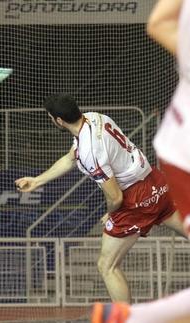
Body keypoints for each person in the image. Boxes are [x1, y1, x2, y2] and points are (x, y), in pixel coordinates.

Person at [14, 93, 187, 304]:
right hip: (155, 181)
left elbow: (115, 196)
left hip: (135, 198)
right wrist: (37, 181)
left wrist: (111, 214)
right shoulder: (93, 118)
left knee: (107, 266)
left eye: (50, 117)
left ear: (58, 120)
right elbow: (70, 158)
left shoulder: (90, 151)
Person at [91, 1, 190, 322]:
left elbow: (159, 23)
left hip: (170, 161)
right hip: (166, 170)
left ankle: (133, 318)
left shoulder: (94, 126)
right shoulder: (93, 129)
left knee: (106, 265)